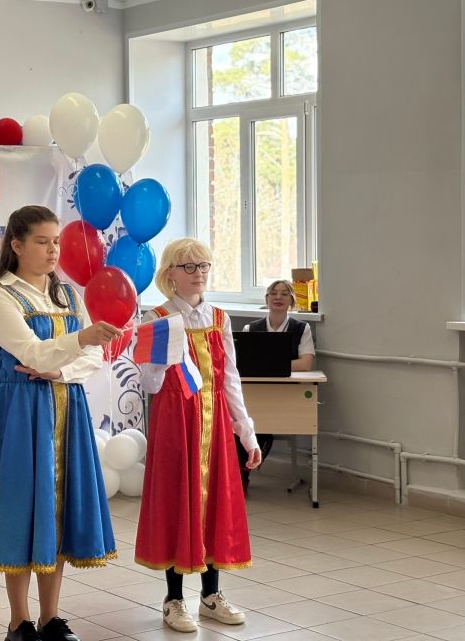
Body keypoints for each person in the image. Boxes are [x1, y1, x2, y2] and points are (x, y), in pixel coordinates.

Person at [0, 205, 121, 641]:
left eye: (56, 241)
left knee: (56, 510)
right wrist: (78, 341)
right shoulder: (0, 296)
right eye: (42, 241)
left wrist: (62, 371)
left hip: (66, 404)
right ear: (17, 246)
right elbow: (31, 353)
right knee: (23, 507)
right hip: (21, 412)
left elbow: (93, 356)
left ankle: (50, 617)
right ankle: (19, 620)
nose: (53, 249)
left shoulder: (67, 294)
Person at [135, 238, 260, 633]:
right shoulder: (156, 317)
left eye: (203, 265)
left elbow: (230, 378)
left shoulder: (219, 318)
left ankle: (211, 595)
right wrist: (164, 355)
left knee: (215, 503)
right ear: (170, 273)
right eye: (188, 266)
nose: (198, 273)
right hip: (176, 421)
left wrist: (247, 432)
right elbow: (150, 383)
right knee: (178, 501)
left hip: (215, 422)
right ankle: (173, 599)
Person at [237, 279, 316, 489]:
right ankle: (239, 476)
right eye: (273, 293)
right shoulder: (251, 328)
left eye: (284, 293)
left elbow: (306, 363)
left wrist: (267, 365)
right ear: (267, 299)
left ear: (292, 300)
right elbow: (244, 363)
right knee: (242, 425)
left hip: (286, 393)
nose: (278, 297)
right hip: (256, 392)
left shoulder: (302, 328)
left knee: (264, 426)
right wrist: (278, 365)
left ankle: (245, 471)